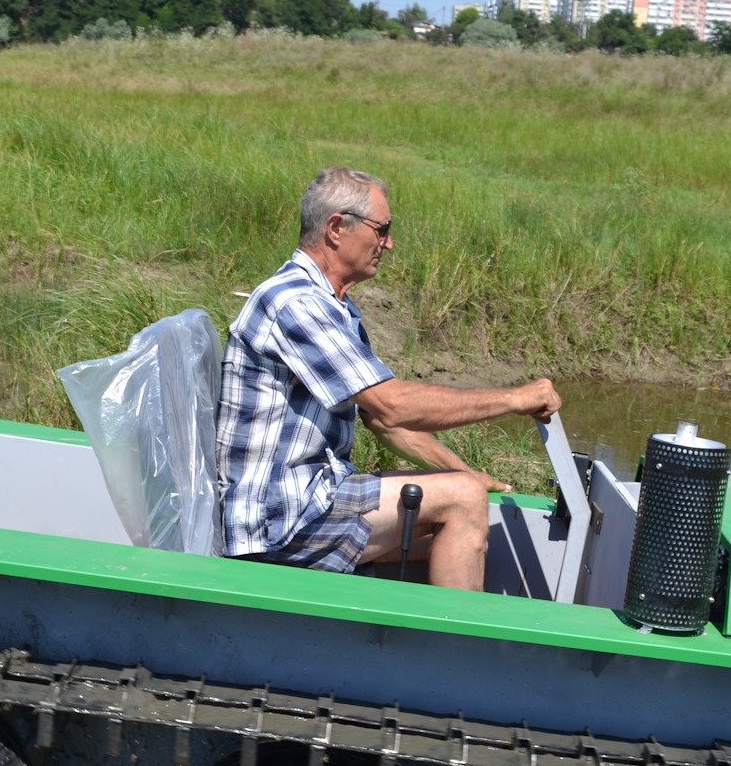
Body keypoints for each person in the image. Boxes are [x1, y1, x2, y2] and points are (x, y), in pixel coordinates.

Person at [217, 167, 562, 591]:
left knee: (459, 506)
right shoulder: (295, 303)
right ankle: (457, 652)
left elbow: (384, 422)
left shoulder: (332, 305)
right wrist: (514, 400)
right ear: (337, 227)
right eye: (382, 229)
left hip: (305, 499)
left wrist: (466, 472)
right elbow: (394, 404)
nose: (389, 243)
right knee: (464, 503)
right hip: (277, 516)